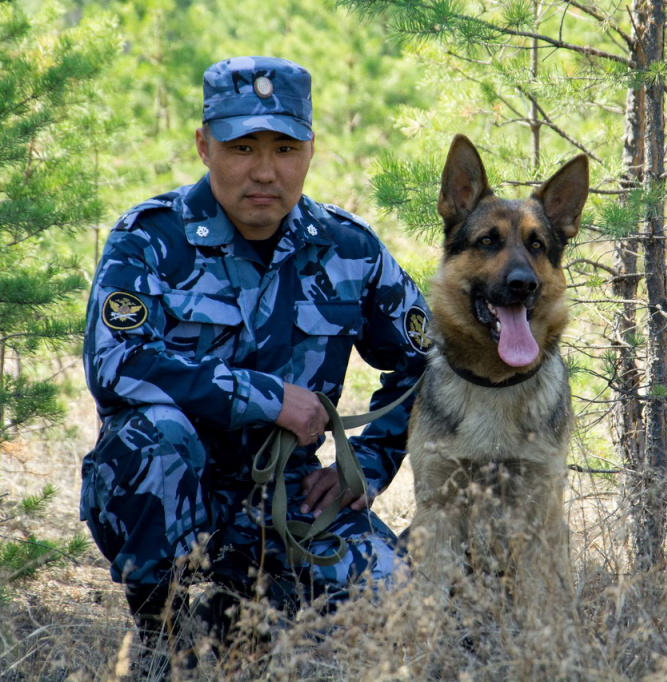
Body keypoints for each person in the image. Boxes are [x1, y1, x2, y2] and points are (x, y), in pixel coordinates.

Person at [79, 56, 429, 663]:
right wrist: (268, 398)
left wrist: (365, 470)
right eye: (241, 146)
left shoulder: (349, 251)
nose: (264, 171)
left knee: (395, 606)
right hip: (180, 489)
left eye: (285, 148)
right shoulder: (150, 240)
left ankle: (246, 615)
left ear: (311, 150)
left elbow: (424, 366)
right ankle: (160, 633)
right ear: (203, 146)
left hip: (288, 499)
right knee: (151, 439)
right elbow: (116, 363)